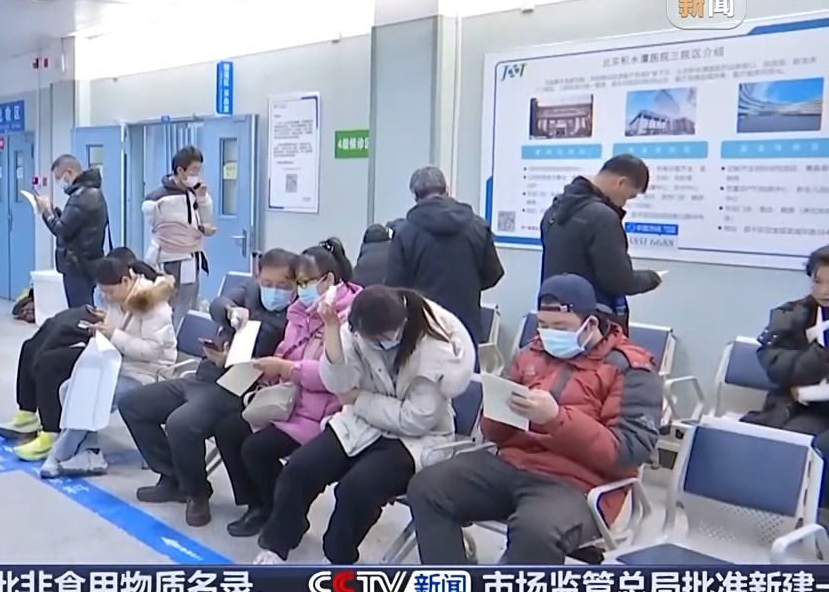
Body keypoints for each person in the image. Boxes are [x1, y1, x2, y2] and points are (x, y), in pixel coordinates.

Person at [407, 274, 663, 565]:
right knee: (428, 487)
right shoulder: (533, 352)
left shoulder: (631, 368)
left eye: (560, 327)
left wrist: (556, 419)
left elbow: (629, 451)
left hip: (578, 483)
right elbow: (494, 434)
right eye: (543, 325)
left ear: (590, 324)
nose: (549, 334)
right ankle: (454, 583)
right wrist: (501, 410)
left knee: (536, 530)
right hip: (512, 463)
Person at [252, 284, 475, 565]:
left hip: (416, 440)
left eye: (384, 338)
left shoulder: (435, 347)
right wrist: (332, 332)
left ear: (402, 324)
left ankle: (337, 557)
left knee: (357, 488)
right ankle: (277, 543)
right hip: (360, 423)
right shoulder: (355, 329)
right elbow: (340, 385)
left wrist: (360, 399)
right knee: (299, 469)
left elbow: (415, 419)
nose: (380, 343)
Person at [119, 248, 299, 526]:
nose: (273, 291)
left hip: (236, 387)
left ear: (296, 284)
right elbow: (218, 304)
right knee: (133, 404)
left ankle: (197, 493)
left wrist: (230, 357)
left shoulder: (294, 317)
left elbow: (268, 345)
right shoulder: (252, 292)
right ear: (258, 276)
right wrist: (230, 311)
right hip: (203, 376)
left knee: (181, 424)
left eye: (283, 286)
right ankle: (173, 477)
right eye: (267, 283)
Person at [215, 239, 361, 536]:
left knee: (257, 449)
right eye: (299, 282)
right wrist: (265, 369)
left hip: (324, 411)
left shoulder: (348, 319)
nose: (301, 289)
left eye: (306, 282)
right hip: (288, 400)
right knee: (228, 430)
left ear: (328, 280)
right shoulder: (299, 311)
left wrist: (287, 369)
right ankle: (258, 505)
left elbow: (335, 377)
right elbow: (286, 350)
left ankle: (283, 514)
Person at [38, 257, 177, 478]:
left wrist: (114, 334)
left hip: (148, 375)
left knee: (90, 396)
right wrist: (105, 326)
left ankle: (58, 454)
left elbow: (152, 351)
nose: (106, 297)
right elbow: (122, 330)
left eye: (110, 292)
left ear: (125, 281)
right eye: (102, 292)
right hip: (118, 366)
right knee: (67, 388)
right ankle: (90, 451)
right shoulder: (118, 300)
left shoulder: (155, 307)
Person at [386, 166, 503, 349]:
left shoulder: (404, 233)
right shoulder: (478, 226)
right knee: (467, 367)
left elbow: (394, 287)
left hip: (423, 327)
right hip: (467, 326)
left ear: (415, 196)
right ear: (447, 190)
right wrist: (466, 286)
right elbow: (493, 274)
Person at [540, 154, 662, 330]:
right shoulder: (603, 217)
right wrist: (651, 278)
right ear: (621, 183)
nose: (624, 204)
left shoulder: (554, 210)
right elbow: (618, 280)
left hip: (553, 314)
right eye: (629, 197)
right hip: (592, 321)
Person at [753, 245, 829, 523]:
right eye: (818, 281)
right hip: (804, 407)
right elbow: (776, 366)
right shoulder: (792, 316)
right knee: (793, 441)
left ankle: (820, 522)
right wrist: (820, 355)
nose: (824, 291)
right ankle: (787, 520)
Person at [0, 303, 108, 442]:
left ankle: (52, 430)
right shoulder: (113, 300)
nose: (106, 295)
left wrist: (113, 329)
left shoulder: (133, 304)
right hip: (100, 333)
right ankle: (27, 413)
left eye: (110, 292)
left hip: (113, 351)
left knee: (48, 362)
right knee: (30, 347)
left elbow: (132, 345)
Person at [142, 145, 216, 328]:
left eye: (199, 170)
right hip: (170, 258)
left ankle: (182, 337)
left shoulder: (195, 193)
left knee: (188, 303)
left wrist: (202, 199)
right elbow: (161, 227)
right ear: (180, 171)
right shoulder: (157, 198)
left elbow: (205, 220)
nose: (197, 175)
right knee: (168, 305)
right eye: (194, 170)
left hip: (192, 256)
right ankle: (167, 338)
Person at [35, 155, 109, 308]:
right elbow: (72, 223)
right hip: (87, 262)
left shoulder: (81, 197)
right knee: (84, 307)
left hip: (78, 264)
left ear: (69, 172)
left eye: (59, 178)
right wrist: (53, 210)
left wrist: (46, 211)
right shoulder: (92, 193)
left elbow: (61, 229)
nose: (59, 183)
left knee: (80, 310)